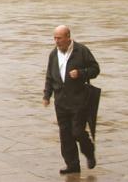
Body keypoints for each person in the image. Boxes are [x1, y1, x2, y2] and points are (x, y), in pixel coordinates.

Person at [43, 24, 99, 175]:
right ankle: (72, 165)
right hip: (61, 101)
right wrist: (47, 95)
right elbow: (49, 76)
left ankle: (89, 151)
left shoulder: (81, 51)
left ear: (68, 37)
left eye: (59, 38)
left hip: (79, 100)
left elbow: (95, 69)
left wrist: (81, 73)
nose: (56, 41)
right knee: (65, 135)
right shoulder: (53, 54)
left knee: (77, 132)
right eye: (54, 38)